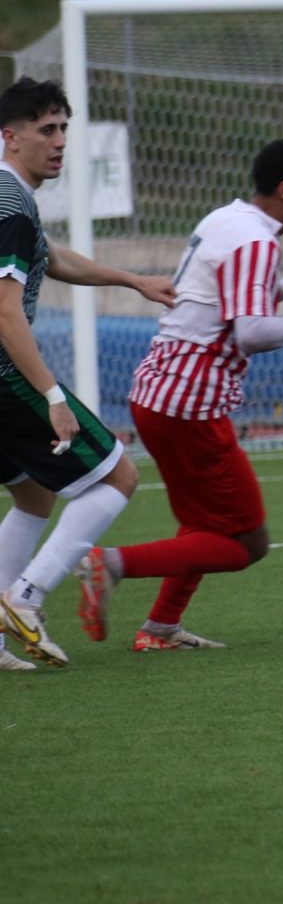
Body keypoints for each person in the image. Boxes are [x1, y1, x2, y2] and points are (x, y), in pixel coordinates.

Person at [72, 138, 283, 652]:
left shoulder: (226, 220)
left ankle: (160, 628)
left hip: (158, 393)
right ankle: (110, 564)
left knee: (201, 523)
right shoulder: (256, 241)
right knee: (246, 542)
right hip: (190, 403)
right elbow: (251, 333)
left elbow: (221, 298)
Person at [0, 78, 176, 670]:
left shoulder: (11, 197)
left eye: (63, 129)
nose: (59, 142)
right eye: (46, 130)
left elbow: (52, 257)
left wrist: (132, 280)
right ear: (11, 137)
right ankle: (25, 598)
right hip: (6, 377)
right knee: (117, 477)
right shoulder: (10, 204)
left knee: (33, 493)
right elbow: (4, 311)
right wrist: (51, 393)